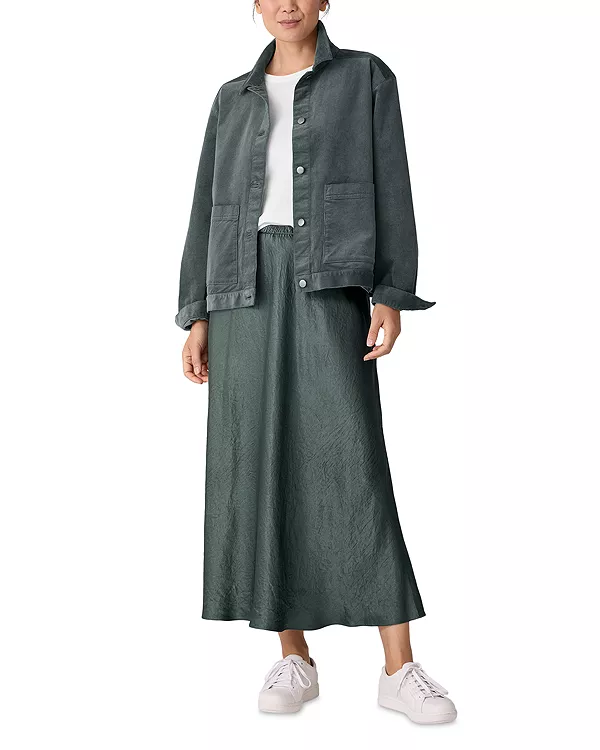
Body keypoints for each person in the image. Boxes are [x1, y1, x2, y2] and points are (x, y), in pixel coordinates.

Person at [175, 1, 456, 724]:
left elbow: (392, 184)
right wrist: (197, 311)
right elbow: (207, 205)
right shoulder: (230, 98)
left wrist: (390, 291)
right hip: (241, 289)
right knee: (261, 464)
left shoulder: (366, 78)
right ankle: (293, 656)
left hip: (328, 281)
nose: (287, 4)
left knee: (351, 461)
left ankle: (399, 668)